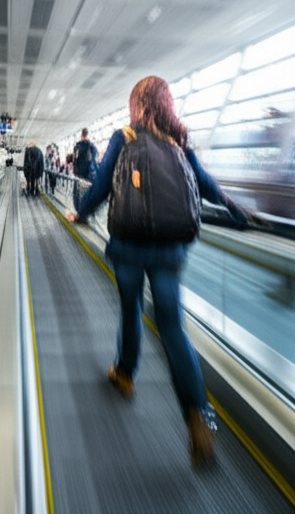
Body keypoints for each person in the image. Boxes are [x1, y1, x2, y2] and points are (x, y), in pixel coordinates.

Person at [66, 76, 255, 467]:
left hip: (130, 244)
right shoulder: (178, 140)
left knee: (131, 308)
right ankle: (198, 417)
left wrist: (80, 213)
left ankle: (125, 373)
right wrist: (236, 209)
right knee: (173, 327)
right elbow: (203, 185)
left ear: (137, 103)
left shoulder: (125, 136)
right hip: (171, 247)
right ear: (167, 104)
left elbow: (101, 184)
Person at [72, 127, 98, 213]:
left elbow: (75, 159)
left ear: (81, 134)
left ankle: (78, 209)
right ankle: (84, 210)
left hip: (79, 172)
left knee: (77, 192)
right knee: (86, 191)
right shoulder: (91, 146)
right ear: (87, 134)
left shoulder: (78, 146)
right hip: (87, 173)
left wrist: (75, 168)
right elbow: (94, 159)